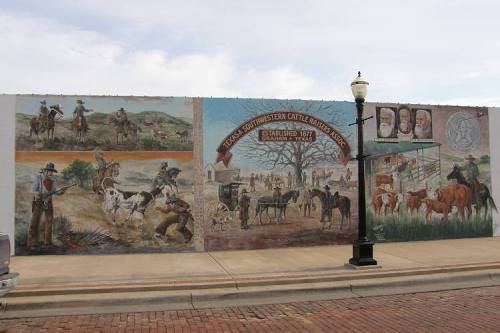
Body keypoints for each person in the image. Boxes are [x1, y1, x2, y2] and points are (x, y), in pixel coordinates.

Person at [28, 163, 67, 247]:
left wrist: (62, 191)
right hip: (38, 202)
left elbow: (55, 192)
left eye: (52, 171)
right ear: (45, 171)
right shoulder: (38, 179)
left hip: (49, 202)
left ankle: (47, 243)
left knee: (49, 221)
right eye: (50, 171)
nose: (51, 173)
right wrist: (39, 194)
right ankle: (32, 243)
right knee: (35, 222)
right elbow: (32, 190)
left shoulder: (52, 181)